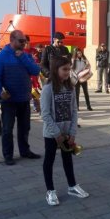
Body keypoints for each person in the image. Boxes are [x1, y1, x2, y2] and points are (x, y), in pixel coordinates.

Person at [40, 55, 89, 206]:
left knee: (67, 159)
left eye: (69, 69)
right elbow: (45, 114)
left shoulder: (70, 88)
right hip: (52, 134)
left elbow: (74, 111)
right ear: (56, 70)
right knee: (49, 160)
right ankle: (50, 191)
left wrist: (72, 132)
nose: (68, 72)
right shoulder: (48, 89)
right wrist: (57, 134)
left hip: (67, 133)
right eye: (64, 69)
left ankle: (72, 186)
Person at [0, 30, 41, 165]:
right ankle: (8, 155)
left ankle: (25, 151)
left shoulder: (26, 56)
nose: (24, 43)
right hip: (9, 100)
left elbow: (35, 71)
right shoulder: (0, 57)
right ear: (12, 39)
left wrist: (23, 57)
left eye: (25, 41)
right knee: (7, 129)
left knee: (25, 127)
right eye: (21, 41)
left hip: (24, 98)